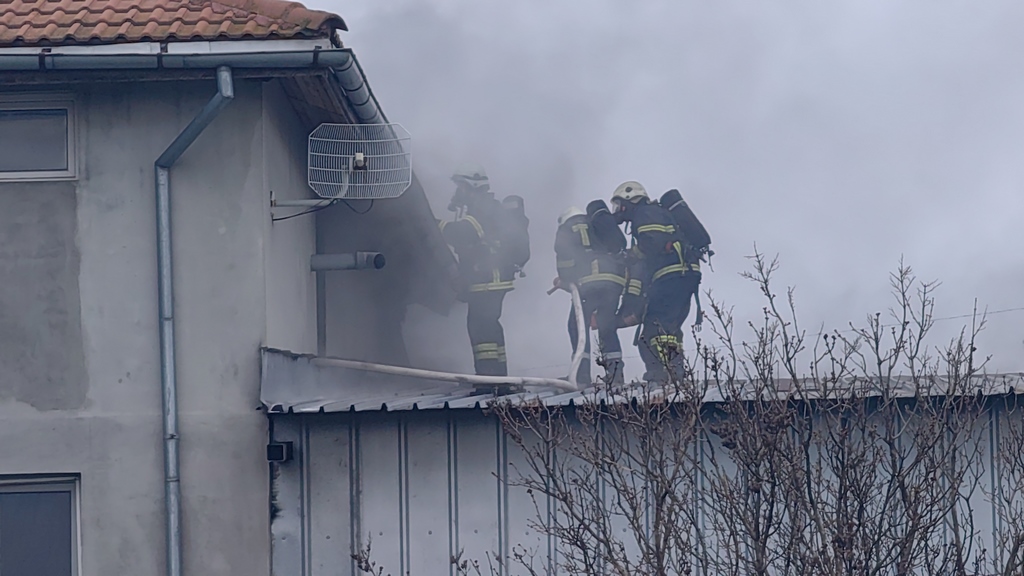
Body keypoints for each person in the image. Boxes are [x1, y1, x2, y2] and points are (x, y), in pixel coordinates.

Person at [609, 180, 701, 382]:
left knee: (654, 328)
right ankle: (674, 372)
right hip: (682, 275)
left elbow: (653, 243)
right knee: (667, 329)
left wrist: (629, 255)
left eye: (619, 204)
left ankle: (664, 375)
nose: (618, 210)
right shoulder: (655, 212)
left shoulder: (645, 213)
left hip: (672, 274)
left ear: (630, 199)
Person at [439, 164, 519, 388]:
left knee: (480, 328)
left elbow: (462, 233)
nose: (458, 191)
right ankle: (499, 378)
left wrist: (434, 224)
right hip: (491, 279)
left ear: (471, 186)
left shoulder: (482, 208)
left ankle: (487, 380)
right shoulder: (486, 207)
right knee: (490, 326)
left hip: (488, 280)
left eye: (460, 187)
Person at [552, 203, 628, 386]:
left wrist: (565, 279)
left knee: (577, 325)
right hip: (614, 280)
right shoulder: (595, 224)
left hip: (590, 282)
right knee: (606, 325)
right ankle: (615, 375)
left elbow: (564, 259)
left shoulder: (567, 228)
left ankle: (581, 376)